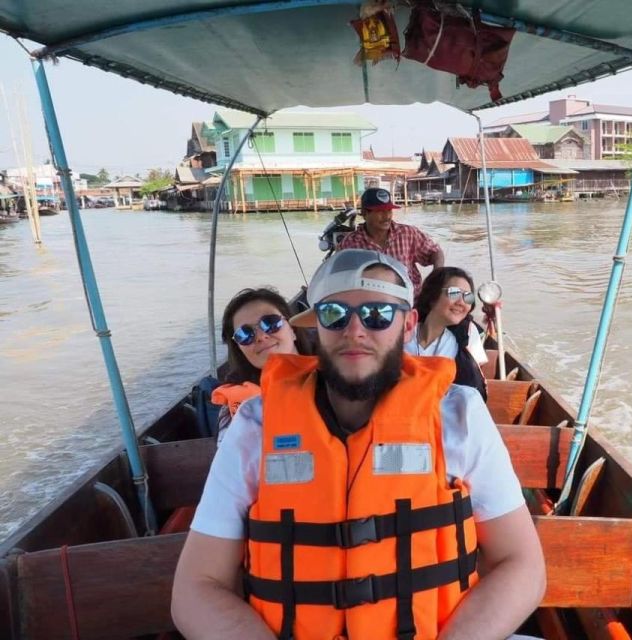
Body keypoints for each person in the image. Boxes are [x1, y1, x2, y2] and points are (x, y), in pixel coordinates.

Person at [172, 249, 545, 640]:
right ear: (316, 326)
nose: (356, 331)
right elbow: (195, 588)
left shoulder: (460, 416)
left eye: (378, 314)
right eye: (335, 314)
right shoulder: (254, 426)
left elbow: (522, 564)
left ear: (408, 323)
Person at [211, 287, 313, 441]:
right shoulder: (239, 411)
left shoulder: (338, 373)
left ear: (292, 328)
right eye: (245, 335)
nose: (261, 336)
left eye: (270, 323)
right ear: (240, 349)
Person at [338, 186, 444, 295]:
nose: (387, 216)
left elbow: (435, 251)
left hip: (411, 302)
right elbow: (339, 278)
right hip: (371, 306)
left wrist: (437, 275)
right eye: (380, 211)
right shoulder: (349, 244)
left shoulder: (408, 233)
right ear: (365, 213)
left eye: (389, 210)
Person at [406, 266, 489, 400]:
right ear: (432, 297)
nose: (461, 302)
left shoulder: (467, 335)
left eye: (468, 297)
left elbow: (475, 376)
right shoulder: (402, 332)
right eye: (454, 293)